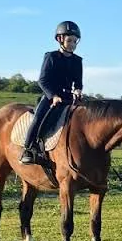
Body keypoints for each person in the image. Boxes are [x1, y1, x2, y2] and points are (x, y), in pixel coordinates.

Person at [20, 21, 84, 164]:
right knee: (38, 119)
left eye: (75, 41)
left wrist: (78, 90)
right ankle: (28, 149)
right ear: (60, 39)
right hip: (51, 97)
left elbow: (78, 82)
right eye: (69, 41)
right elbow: (42, 80)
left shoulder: (77, 61)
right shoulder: (51, 57)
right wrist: (54, 96)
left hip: (69, 98)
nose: (72, 44)